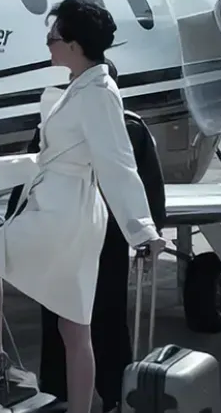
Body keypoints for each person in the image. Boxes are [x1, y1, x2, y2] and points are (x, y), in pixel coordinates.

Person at [0, 0, 166, 413]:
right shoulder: (82, 85)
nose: (48, 45)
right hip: (69, 208)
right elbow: (54, 155)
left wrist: (143, 231)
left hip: (65, 212)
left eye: (53, 38)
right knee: (73, 327)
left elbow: (117, 162)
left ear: (75, 45)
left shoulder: (97, 91)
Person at [34, 59, 168, 413]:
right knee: (82, 318)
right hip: (87, 235)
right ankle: (81, 393)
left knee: (90, 317)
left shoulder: (127, 126)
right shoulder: (122, 125)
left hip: (92, 236)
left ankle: (84, 393)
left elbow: (142, 185)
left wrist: (147, 231)